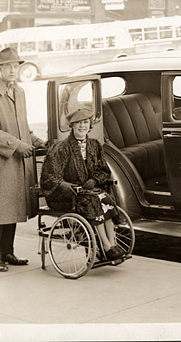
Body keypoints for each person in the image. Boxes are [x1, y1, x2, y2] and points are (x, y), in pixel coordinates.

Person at [0, 47, 46, 272]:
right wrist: (18, 146)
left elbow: (22, 127)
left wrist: (37, 141)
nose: (12, 70)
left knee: (12, 207)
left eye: (15, 66)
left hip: (15, 161)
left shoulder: (19, 92)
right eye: (7, 66)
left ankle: (7, 252)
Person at [41, 107, 125, 260]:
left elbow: (103, 170)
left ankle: (113, 244)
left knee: (105, 198)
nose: (82, 126)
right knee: (93, 201)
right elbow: (50, 175)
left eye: (85, 122)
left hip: (88, 192)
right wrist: (63, 185)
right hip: (65, 196)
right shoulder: (61, 148)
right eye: (78, 123)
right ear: (71, 126)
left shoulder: (94, 145)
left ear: (90, 125)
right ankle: (105, 245)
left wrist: (95, 180)